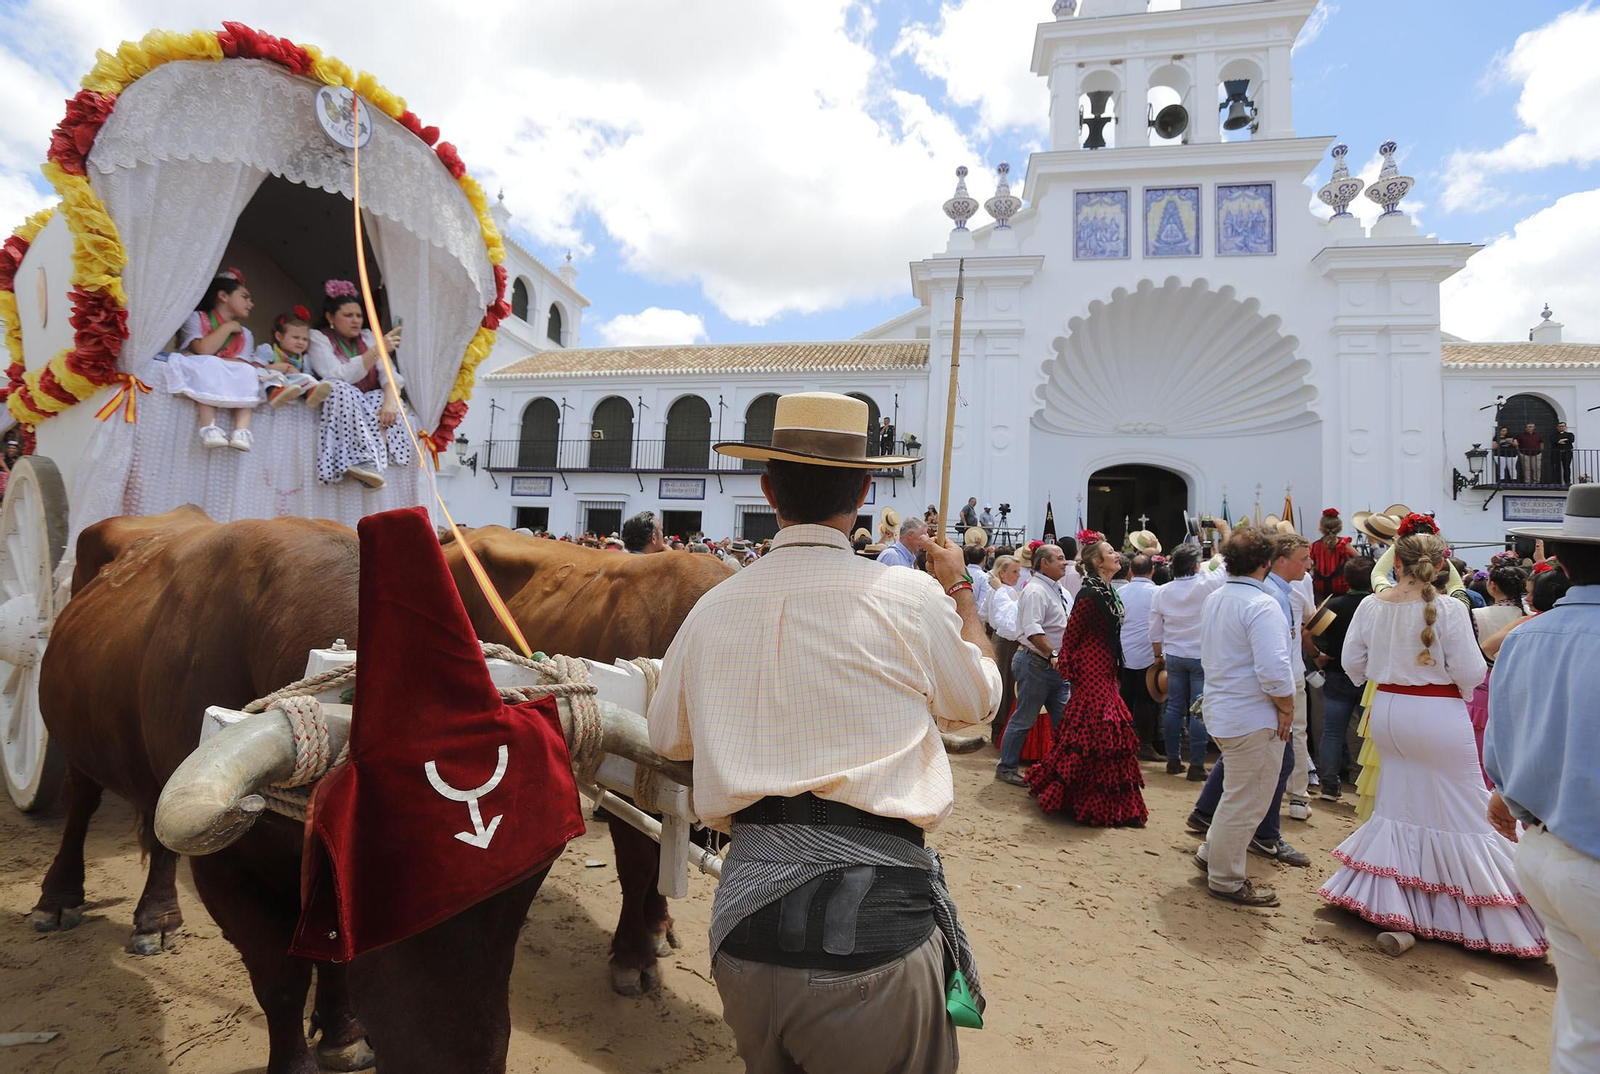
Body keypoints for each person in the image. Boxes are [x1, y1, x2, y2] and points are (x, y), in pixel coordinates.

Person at [651, 391, 996, 1072]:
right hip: (874, 935)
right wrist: (961, 595)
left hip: (743, 927)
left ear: (768, 489)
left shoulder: (713, 607)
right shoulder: (909, 599)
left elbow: (668, 738)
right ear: (865, 490)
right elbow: (978, 700)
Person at [1318, 533, 1546, 959]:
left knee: (1400, 804)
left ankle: (1398, 904)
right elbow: (1472, 671)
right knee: (1464, 808)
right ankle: (1490, 911)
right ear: (1442, 566)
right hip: (1437, 713)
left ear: (1397, 564)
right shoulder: (1450, 609)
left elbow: (1352, 665)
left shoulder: (1372, 605)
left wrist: (1389, 675)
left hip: (1386, 711)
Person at [1487, 484, 1600, 1070]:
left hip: (1544, 853)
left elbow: (1498, 760)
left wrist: (1508, 795)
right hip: (1585, 856)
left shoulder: (1525, 638)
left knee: (1583, 1026)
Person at [1189, 531, 1314, 869]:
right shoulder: (1261, 604)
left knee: (1238, 796)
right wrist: (1287, 707)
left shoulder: (1218, 597)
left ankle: (1211, 854)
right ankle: (1226, 875)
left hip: (1226, 709)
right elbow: (1274, 671)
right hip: (1251, 715)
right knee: (1246, 802)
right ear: (1266, 563)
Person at [1025, 533, 1148, 826]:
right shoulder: (1089, 593)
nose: (1117, 555)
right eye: (1110, 552)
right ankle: (1083, 799)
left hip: (1106, 666)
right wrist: (1067, 662)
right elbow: (1072, 634)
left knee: (1104, 728)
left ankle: (1104, 800)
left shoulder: (1108, 590)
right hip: (1091, 668)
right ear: (1097, 562)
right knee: (1100, 727)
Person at [306, 280, 410, 489]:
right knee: (342, 389)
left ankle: (379, 460)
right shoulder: (318, 337)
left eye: (359, 316)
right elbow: (335, 374)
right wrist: (375, 351)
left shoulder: (368, 336)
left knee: (383, 397)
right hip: (340, 400)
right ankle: (358, 459)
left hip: (366, 404)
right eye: (348, 315)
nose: (355, 321)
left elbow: (389, 375)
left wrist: (391, 402)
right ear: (330, 317)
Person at [1149, 540, 1227, 779]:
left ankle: (1173, 760)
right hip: (1201, 655)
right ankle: (1196, 763)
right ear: (1195, 566)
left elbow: (1154, 630)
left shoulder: (1162, 591)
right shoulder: (1206, 584)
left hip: (1173, 654)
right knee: (1199, 709)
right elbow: (1223, 567)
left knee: (1173, 707)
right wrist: (1215, 553)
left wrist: (1157, 656)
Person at [995, 542, 1071, 785]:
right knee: (1024, 718)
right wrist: (1054, 655)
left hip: (1051, 665)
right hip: (1038, 663)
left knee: (1065, 719)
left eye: (1064, 558)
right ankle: (1006, 767)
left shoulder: (1056, 589)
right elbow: (1032, 630)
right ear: (1044, 563)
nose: (1064, 562)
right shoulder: (1037, 590)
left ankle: (1064, 768)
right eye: (1058, 558)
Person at [163, 268, 260, 451]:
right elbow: (203, 350)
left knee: (247, 371)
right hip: (201, 368)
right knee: (210, 364)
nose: (251, 304)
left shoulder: (245, 333)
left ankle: (241, 431)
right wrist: (228, 327)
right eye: (245, 297)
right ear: (223, 295)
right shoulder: (196, 318)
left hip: (219, 370)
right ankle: (209, 428)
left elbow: (242, 364)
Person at [1314, 557, 1373, 801]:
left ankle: (1329, 784)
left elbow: (1310, 632)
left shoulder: (1334, 605)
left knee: (1332, 731)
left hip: (1337, 673)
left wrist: (1317, 656)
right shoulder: (1374, 605)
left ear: (1345, 579)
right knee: (1370, 733)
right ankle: (1366, 783)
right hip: (1369, 676)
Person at [1464, 563, 1528, 786]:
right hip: (1520, 684)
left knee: (1480, 749)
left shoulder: (1477, 615)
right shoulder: (1529, 615)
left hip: (1484, 683)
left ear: (1492, 586)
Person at [1117, 553, 1164, 762]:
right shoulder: (1157, 592)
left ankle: (1122, 742)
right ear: (1152, 571)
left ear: (1130, 572)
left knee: (1124, 697)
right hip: (1149, 653)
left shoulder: (1121, 591)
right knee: (1146, 700)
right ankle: (1144, 744)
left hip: (1125, 653)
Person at [253, 309, 333, 409]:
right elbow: (255, 369)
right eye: (296, 337)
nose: (301, 342)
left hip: (292, 385)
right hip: (274, 380)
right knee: (275, 375)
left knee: (307, 378)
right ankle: (275, 393)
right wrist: (272, 367)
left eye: (305, 339)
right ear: (279, 336)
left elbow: (307, 375)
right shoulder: (268, 350)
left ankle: (311, 393)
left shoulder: (304, 359)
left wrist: (297, 373)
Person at [1309, 508, 1353, 602]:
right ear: (1339, 527)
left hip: (1320, 590)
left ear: (1321, 528)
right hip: (1341, 589)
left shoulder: (1315, 546)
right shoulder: (1344, 544)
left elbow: (1310, 565)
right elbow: (1360, 560)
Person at [1555, 420, 1575, 486]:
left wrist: (1561, 440)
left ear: (1565, 427)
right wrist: (1564, 440)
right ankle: (1557, 482)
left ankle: (1567, 482)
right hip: (1557, 453)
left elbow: (1571, 440)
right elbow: (1553, 441)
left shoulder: (1570, 434)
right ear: (1557, 427)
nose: (1561, 427)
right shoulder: (1554, 435)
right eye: (1560, 426)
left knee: (1566, 467)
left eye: (1562, 426)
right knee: (1557, 467)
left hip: (1567, 452)